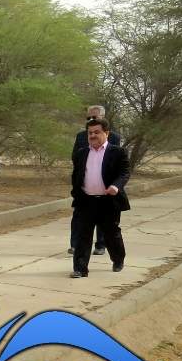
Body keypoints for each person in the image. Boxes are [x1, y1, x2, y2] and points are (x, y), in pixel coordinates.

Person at [70, 118, 130, 278]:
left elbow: (124, 172)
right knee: (83, 236)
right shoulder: (81, 153)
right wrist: (76, 193)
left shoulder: (118, 152)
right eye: (90, 133)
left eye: (96, 132)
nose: (92, 135)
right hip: (86, 201)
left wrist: (116, 186)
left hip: (108, 201)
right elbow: (76, 175)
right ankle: (80, 269)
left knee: (111, 234)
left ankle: (118, 259)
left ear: (106, 133)